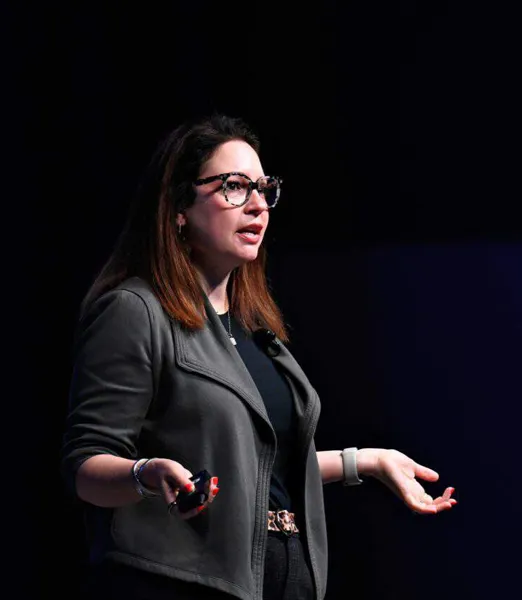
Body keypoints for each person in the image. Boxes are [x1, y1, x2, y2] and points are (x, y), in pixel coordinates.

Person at [59, 114, 457, 600]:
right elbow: (86, 467)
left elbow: (254, 462)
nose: (257, 205)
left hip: (278, 581)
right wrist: (146, 474)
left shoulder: (254, 331)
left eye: (264, 189)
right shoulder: (136, 311)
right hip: (179, 582)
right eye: (233, 186)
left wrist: (367, 461)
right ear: (179, 206)